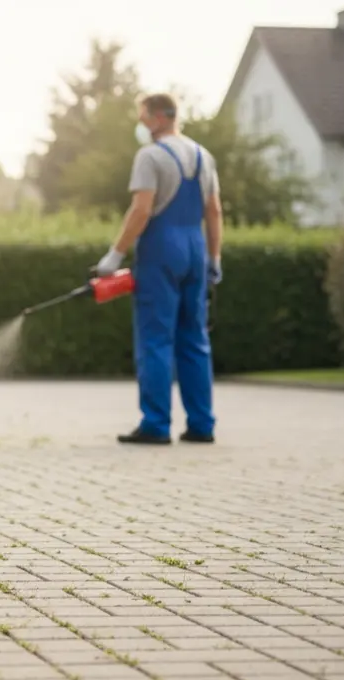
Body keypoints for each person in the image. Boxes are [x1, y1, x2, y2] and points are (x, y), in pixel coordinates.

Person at [94, 93, 223, 446]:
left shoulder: (150, 156)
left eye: (141, 117)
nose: (140, 124)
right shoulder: (203, 156)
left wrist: (115, 255)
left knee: (155, 339)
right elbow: (213, 211)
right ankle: (201, 424)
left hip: (161, 250)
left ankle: (155, 423)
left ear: (155, 118)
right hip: (194, 248)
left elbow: (141, 210)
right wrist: (215, 258)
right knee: (195, 339)